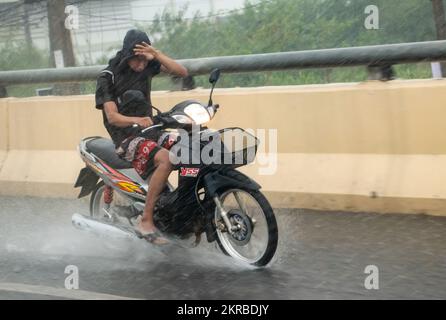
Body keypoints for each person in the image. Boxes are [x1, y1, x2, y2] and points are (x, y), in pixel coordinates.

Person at [95, 29, 188, 244]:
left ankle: (180, 207)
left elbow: (182, 72)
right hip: (126, 138)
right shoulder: (107, 77)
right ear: (127, 55)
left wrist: (155, 54)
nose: (140, 66)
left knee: (188, 147)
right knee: (165, 159)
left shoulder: (147, 65)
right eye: (136, 60)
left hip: (151, 132)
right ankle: (145, 220)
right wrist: (137, 119)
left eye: (143, 60)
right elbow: (112, 117)